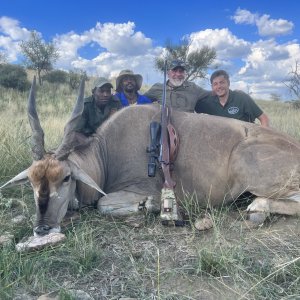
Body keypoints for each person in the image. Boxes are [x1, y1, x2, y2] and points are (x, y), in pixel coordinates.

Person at [195, 70, 269, 126]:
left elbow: (263, 118)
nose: (219, 86)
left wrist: (262, 137)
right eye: (215, 84)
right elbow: (192, 107)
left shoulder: (241, 97)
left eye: (222, 82)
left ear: (228, 83)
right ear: (212, 87)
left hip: (244, 139)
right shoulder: (208, 102)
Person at [143, 60, 210, 112]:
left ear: (185, 74)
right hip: (165, 127)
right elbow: (140, 101)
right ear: (168, 73)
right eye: (174, 71)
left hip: (188, 127)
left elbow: (211, 94)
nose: (178, 74)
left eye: (181, 71)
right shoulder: (158, 87)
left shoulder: (193, 87)